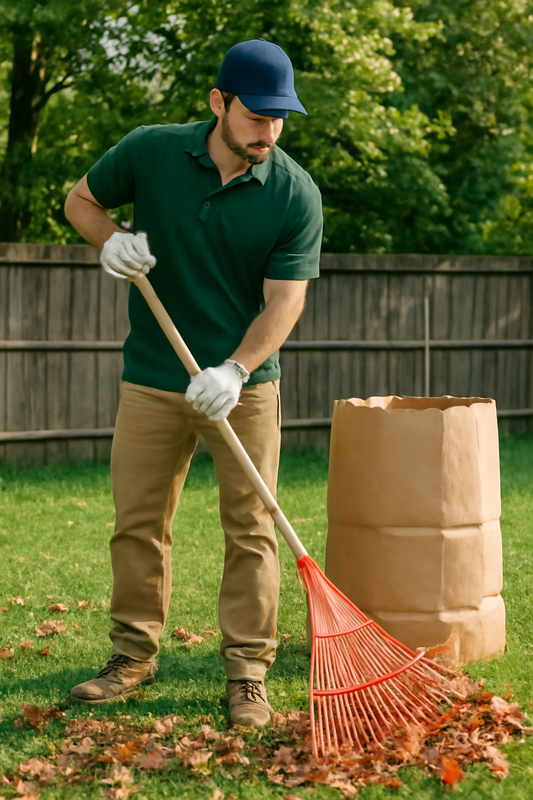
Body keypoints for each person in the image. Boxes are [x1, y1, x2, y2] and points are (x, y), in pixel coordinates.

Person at [64, 38, 322, 726]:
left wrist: (236, 370)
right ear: (218, 102)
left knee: (251, 529)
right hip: (152, 378)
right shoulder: (152, 151)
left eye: (278, 120)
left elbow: (284, 301)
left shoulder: (293, 193)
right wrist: (109, 239)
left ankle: (246, 672)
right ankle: (131, 656)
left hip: (245, 389)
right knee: (139, 523)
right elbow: (80, 199)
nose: (266, 132)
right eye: (254, 116)